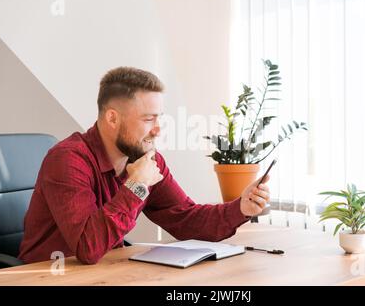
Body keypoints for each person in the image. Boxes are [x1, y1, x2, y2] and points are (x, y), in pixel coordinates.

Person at [18, 66, 271, 265]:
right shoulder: (67, 160)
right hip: (46, 276)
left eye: (159, 117)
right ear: (112, 118)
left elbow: (185, 218)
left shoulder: (146, 159)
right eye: (148, 119)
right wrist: (137, 186)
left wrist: (240, 207)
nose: (158, 129)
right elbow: (88, 248)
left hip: (106, 273)